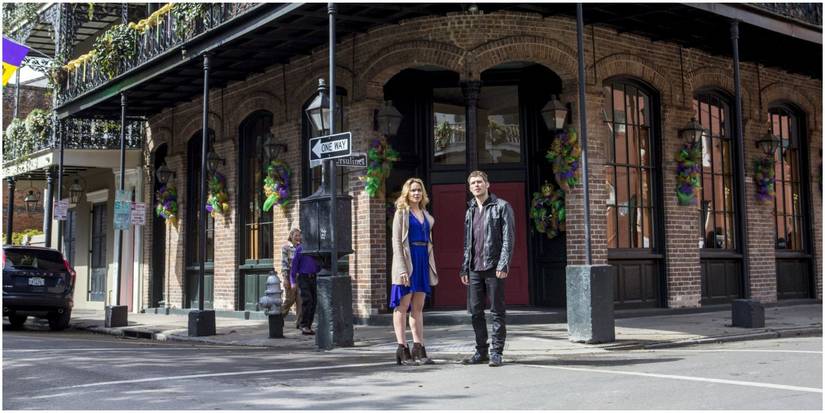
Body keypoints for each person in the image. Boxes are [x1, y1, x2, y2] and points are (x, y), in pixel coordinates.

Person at [459, 170, 515, 367]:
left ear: (487, 184)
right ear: (470, 187)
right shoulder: (470, 210)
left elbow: (508, 238)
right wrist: (464, 268)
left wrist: (503, 263)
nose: (476, 185)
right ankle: (481, 351)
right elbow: (468, 243)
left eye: (480, 182)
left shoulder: (502, 207)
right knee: (475, 312)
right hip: (474, 268)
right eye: (473, 183)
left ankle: (497, 352)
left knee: (497, 311)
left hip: (494, 266)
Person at [390, 177, 438, 365]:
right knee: (402, 306)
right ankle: (402, 348)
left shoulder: (426, 215)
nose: (416, 193)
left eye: (419, 190)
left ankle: (419, 347)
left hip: (422, 261)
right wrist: (402, 269)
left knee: (418, 308)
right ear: (406, 193)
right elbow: (396, 242)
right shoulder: (401, 213)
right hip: (407, 263)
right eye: (412, 190)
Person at [288, 226, 320, 336]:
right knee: (307, 300)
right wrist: (292, 282)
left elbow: (318, 264)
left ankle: (308, 326)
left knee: (314, 302)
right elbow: (294, 267)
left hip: (314, 277)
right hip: (303, 278)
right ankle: (304, 325)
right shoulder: (300, 249)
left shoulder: (314, 249)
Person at [280, 227, 302, 329]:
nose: (298, 237)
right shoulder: (286, 248)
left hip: (301, 277)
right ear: (291, 236)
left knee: (300, 300)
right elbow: (284, 264)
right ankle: (278, 318)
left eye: (299, 235)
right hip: (290, 277)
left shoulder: (301, 248)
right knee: (290, 300)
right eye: (296, 235)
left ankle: (299, 323)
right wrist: (285, 278)